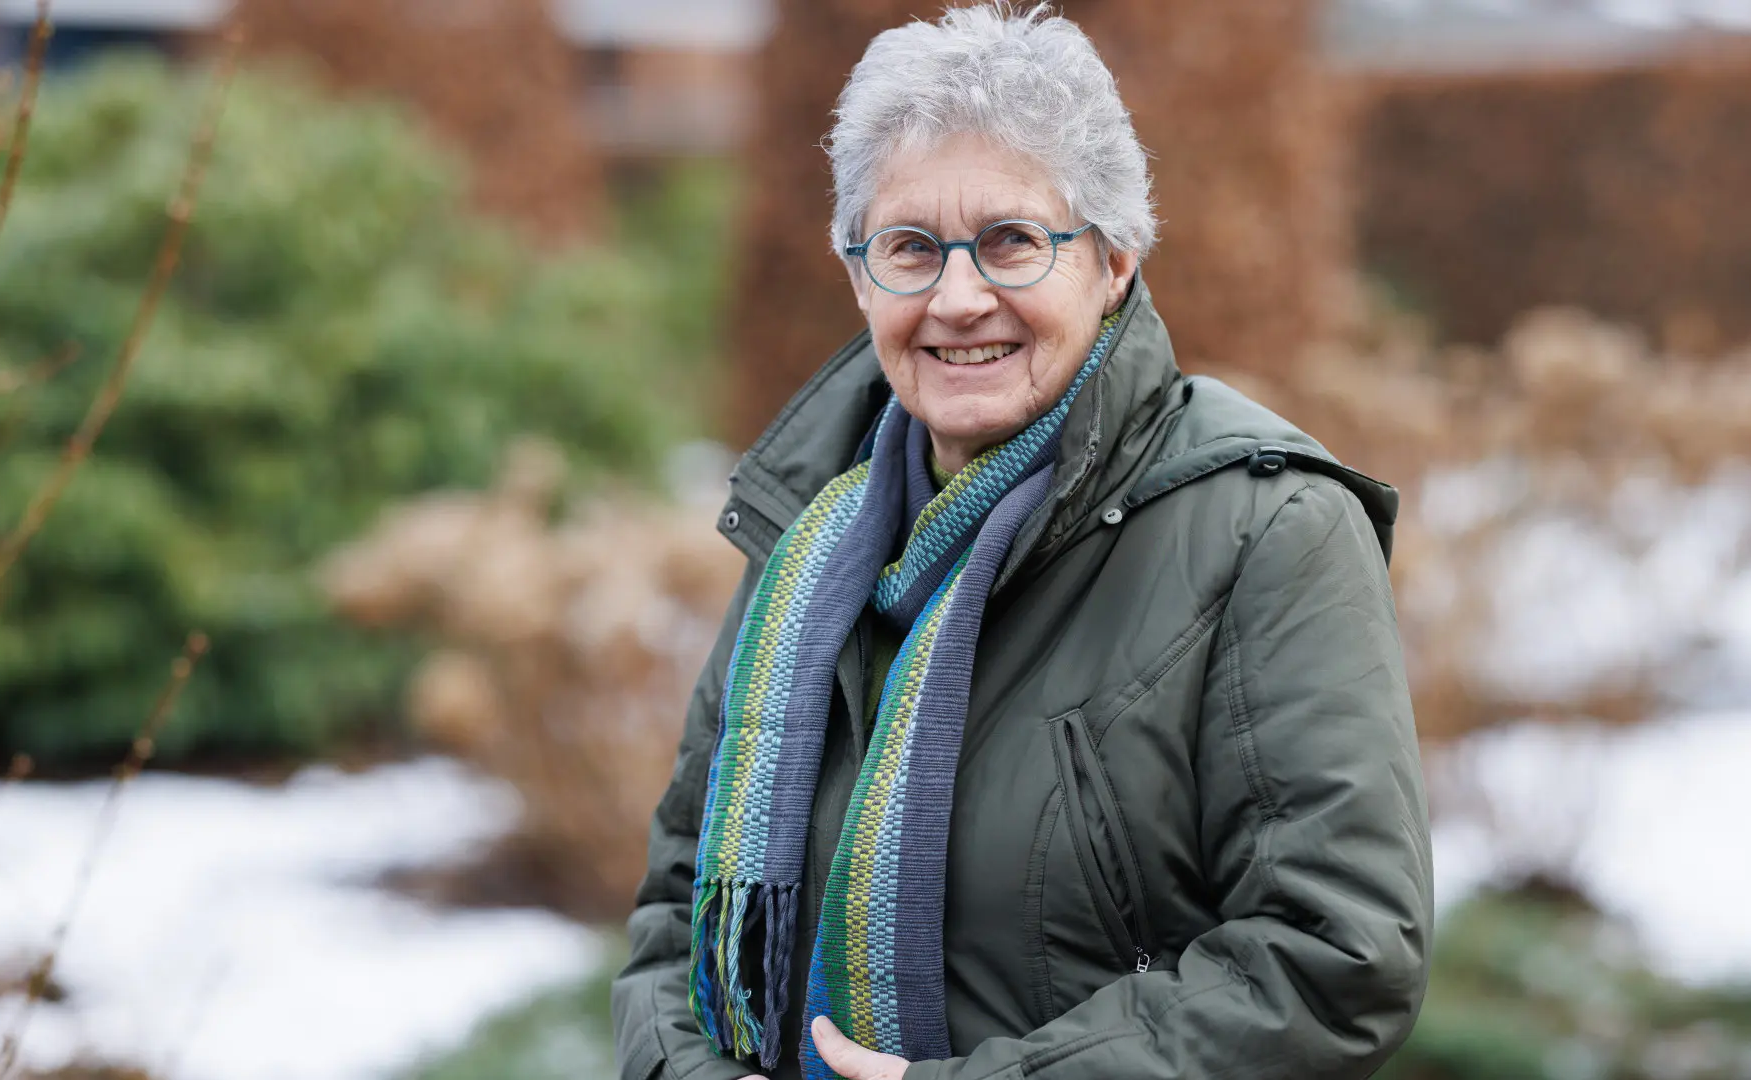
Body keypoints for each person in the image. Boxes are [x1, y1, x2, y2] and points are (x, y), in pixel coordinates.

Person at [610, 5, 1432, 1078]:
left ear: (1115, 258)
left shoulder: (1267, 527)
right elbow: (677, 911)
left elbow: (1336, 953)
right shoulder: (809, 538)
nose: (958, 298)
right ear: (860, 275)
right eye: (909, 248)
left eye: (1010, 241)